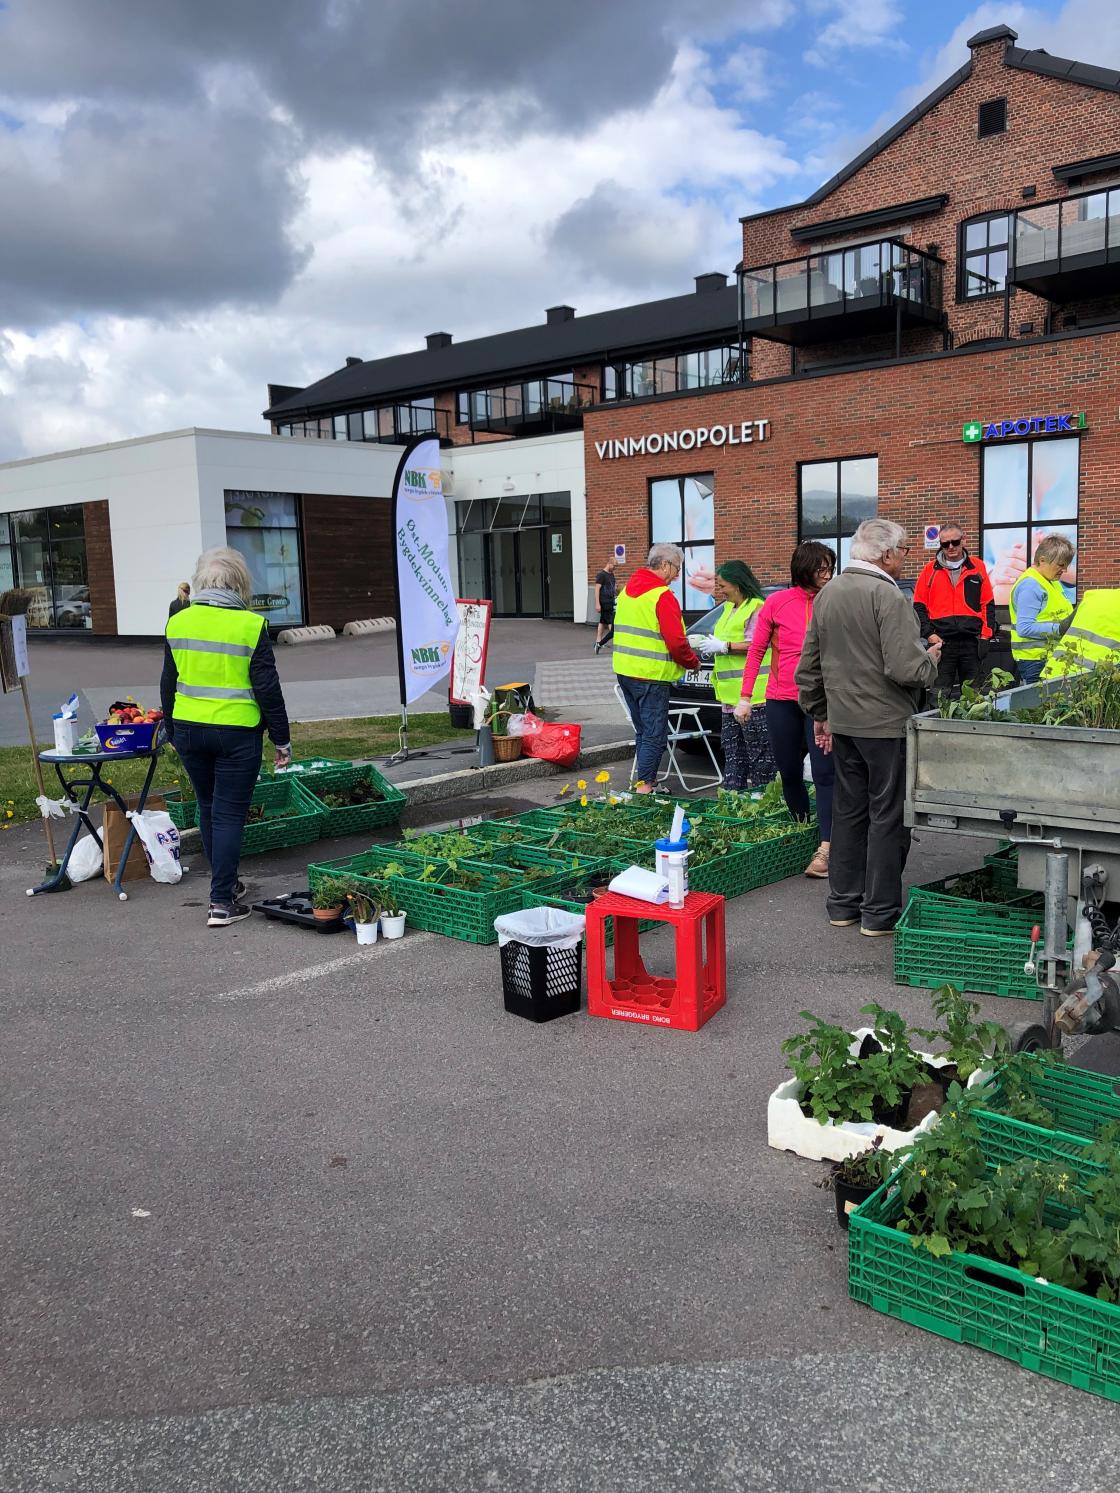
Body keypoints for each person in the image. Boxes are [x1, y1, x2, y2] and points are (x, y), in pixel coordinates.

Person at [796, 519, 940, 936]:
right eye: (906, 550)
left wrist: (821, 712)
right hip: (886, 726)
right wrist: (931, 656)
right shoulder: (889, 596)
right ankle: (878, 914)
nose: (906, 558)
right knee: (887, 818)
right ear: (887, 554)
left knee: (848, 812)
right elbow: (905, 668)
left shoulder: (828, 594)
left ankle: (842, 905)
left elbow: (809, 668)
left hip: (845, 724)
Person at [161, 547, 292, 927]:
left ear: (202, 582)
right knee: (230, 814)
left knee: (207, 806)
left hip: (188, 729)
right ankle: (221, 901)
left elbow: (169, 680)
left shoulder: (178, 621)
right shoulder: (250, 626)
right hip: (236, 734)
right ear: (239, 584)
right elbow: (268, 688)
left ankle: (228, 886)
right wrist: (281, 739)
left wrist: (171, 728)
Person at [736, 541, 837, 878]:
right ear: (804, 568)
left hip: (821, 703)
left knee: (825, 774)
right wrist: (746, 696)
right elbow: (756, 651)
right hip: (781, 700)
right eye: (820, 568)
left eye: (830, 567)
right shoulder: (777, 603)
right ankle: (800, 830)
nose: (827, 574)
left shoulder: (834, 600)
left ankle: (826, 847)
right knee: (790, 772)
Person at [613, 543, 701, 794]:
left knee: (643, 732)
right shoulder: (662, 596)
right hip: (652, 676)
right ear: (664, 565)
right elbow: (676, 642)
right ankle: (645, 788)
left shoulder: (628, 591)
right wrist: (692, 663)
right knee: (654, 734)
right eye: (677, 568)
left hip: (625, 671)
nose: (677, 575)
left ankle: (643, 781)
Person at [689, 559, 775, 791]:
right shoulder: (728, 608)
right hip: (729, 697)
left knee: (760, 756)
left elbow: (757, 644)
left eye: (723, 585)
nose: (720, 590)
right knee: (733, 752)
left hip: (755, 698)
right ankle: (733, 798)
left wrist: (725, 646)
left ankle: (762, 798)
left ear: (737, 585)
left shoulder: (757, 607)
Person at [912, 520, 996, 695]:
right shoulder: (929, 571)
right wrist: (930, 634)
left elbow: (987, 604)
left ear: (963, 540)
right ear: (941, 544)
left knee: (974, 696)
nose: (950, 547)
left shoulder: (977, 567)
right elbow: (918, 607)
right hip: (942, 643)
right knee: (939, 695)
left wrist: (985, 636)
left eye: (955, 542)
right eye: (945, 544)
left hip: (971, 642)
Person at [1009, 534, 1076, 684]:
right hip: (1035, 660)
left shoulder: (1050, 581)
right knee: (1039, 705)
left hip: (1046, 657)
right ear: (1042, 560)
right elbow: (1024, 628)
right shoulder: (1031, 586)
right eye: (1060, 564)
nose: (1064, 570)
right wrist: (1059, 629)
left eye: (1066, 564)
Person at [593, 555, 618, 654]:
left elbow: (613, 587)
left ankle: (598, 641)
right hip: (604, 601)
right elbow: (597, 589)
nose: (615, 568)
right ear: (609, 563)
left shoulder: (611, 574)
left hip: (611, 600)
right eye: (614, 566)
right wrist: (597, 603)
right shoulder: (601, 575)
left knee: (602, 621)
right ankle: (613, 641)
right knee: (610, 622)